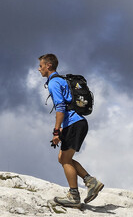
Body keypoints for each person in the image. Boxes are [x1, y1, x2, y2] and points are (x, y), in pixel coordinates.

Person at [40, 54, 103, 209]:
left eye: (41, 66)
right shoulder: (62, 80)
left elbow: (61, 108)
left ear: (48, 66)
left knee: (65, 159)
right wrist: (62, 128)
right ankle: (90, 181)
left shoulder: (54, 82)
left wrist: (56, 131)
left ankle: (74, 196)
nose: (39, 69)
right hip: (77, 123)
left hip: (74, 124)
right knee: (63, 157)